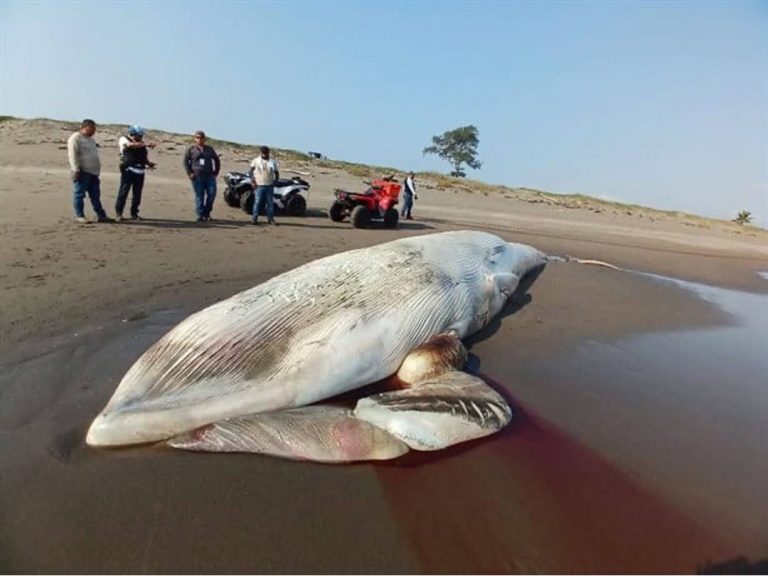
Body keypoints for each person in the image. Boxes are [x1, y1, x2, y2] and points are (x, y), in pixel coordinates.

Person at [67, 119, 111, 224]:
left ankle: (101, 215)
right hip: (82, 171)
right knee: (79, 194)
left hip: (93, 172)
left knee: (95, 195)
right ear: (84, 127)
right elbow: (72, 155)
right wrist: (76, 169)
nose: (94, 131)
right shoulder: (75, 138)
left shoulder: (91, 140)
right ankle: (80, 216)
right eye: (92, 128)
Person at [115, 125, 156, 222]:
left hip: (140, 171)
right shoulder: (124, 139)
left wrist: (148, 163)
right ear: (133, 133)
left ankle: (134, 213)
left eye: (141, 136)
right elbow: (129, 145)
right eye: (139, 135)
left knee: (137, 194)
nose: (140, 137)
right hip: (128, 170)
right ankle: (119, 213)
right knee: (123, 192)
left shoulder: (141, 144)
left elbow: (143, 156)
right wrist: (145, 144)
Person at [182, 130, 220, 222]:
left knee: (212, 193)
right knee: (200, 195)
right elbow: (185, 162)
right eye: (197, 138)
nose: (200, 139)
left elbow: (216, 160)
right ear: (195, 139)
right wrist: (189, 173)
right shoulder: (191, 149)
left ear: (204, 139)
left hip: (209, 176)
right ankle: (200, 214)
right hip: (197, 176)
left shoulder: (209, 149)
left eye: (201, 138)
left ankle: (207, 213)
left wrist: (216, 172)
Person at [250, 145, 279, 226]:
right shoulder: (256, 161)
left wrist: (275, 181)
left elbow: (276, 172)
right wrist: (252, 181)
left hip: (269, 185)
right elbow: (251, 171)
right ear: (261, 153)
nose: (265, 155)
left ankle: (270, 219)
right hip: (259, 185)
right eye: (263, 153)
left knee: (270, 203)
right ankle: (254, 218)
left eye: (266, 153)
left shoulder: (272, 162)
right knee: (257, 202)